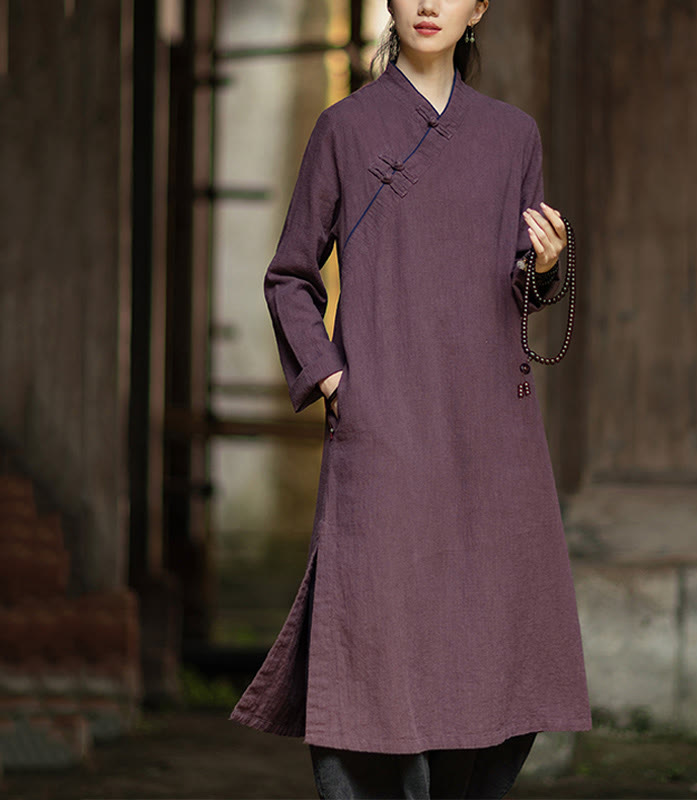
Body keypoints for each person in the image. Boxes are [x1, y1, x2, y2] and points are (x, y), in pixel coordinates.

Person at [229, 1, 592, 797]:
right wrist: (335, 379)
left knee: (492, 643)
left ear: (479, 7)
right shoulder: (345, 128)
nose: (429, 3)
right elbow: (290, 276)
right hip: (386, 425)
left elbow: (518, 292)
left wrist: (547, 266)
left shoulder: (513, 136)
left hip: (490, 433)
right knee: (375, 642)